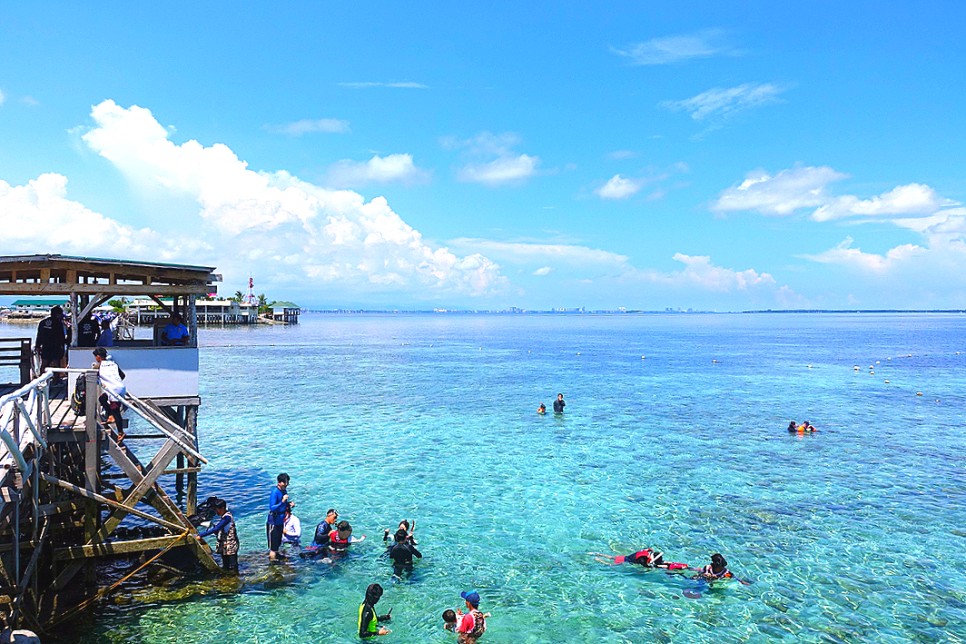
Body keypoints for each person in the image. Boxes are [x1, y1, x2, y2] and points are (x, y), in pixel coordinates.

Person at [196, 498, 240, 572]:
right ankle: (228, 579)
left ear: (222, 508)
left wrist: (201, 535)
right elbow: (219, 529)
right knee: (225, 564)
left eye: (217, 510)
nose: (216, 512)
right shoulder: (224, 517)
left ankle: (234, 578)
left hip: (231, 545)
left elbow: (216, 529)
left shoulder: (227, 518)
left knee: (233, 565)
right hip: (225, 545)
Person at [93, 347, 126, 441]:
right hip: (119, 387)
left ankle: (121, 432)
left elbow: (93, 374)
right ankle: (110, 415)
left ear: (98, 357)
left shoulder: (99, 366)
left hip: (114, 390)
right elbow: (122, 375)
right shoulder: (113, 364)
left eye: (96, 357)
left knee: (117, 413)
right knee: (102, 399)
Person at [35, 305, 68, 380]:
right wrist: (63, 347)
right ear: (58, 314)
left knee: (44, 364)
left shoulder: (42, 322)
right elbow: (61, 337)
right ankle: (56, 380)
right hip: (55, 347)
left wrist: (37, 345)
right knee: (56, 364)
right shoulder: (58, 323)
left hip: (45, 346)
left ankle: (41, 380)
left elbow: (39, 335)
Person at [266, 473, 293, 561]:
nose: (287, 484)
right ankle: (272, 563)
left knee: (278, 542)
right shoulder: (275, 492)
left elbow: (284, 505)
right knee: (273, 546)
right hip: (273, 522)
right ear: (279, 483)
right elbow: (272, 507)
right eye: (285, 482)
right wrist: (282, 501)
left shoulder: (284, 491)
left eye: (287, 482)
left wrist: (289, 504)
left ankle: (277, 556)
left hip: (281, 521)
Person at [595, 547, 689, 570]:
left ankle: (599, 554)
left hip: (627, 557)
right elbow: (646, 566)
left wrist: (667, 563)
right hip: (627, 561)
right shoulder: (643, 559)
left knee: (612, 557)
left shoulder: (648, 552)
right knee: (611, 564)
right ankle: (599, 560)